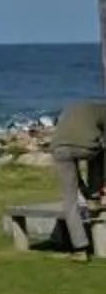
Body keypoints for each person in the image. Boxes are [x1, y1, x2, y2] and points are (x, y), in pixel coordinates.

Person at [48, 96, 106, 254]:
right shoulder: (102, 111)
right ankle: (94, 195)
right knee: (99, 153)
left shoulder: (73, 109)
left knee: (69, 198)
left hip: (58, 148)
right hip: (86, 146)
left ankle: (79, 248)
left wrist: (81, 187)